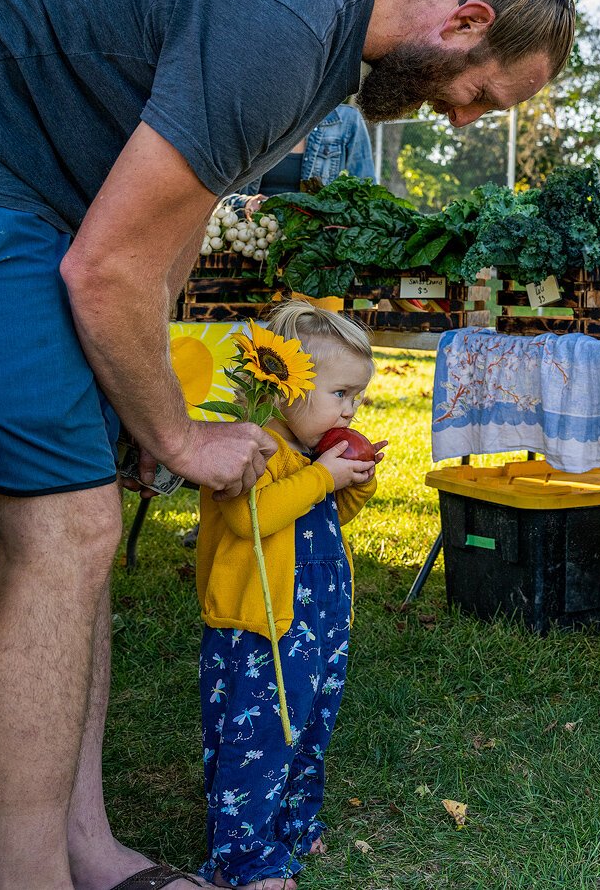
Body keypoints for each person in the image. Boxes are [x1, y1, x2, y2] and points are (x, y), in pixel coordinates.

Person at [0, 0, 576, 890]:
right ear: (465, 23)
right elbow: (103, 269)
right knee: (64, 531)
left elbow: (167, 232)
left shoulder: (318, 26)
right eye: (484, 96)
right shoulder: (286, 22)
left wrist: (142, 396)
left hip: (4, 191)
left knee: (89, 521)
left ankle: (87, 849)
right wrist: (176, 432)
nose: (462, 117)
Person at [195, 302, 382, 890]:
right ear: (285, 390)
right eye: (342, 393)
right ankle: (242, 857)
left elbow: (327, 516)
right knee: (259, 737)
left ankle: (292, 824)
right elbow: (255, 517)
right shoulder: (249, 450)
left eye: (357, 396)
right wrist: (323, 476)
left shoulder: (309, 455)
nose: (351, 409)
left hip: (317, 619)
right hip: (259, 624)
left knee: (307, 726)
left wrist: (351, 484)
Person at [246, 103, 376, 198]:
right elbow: (227, 193)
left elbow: (367, 191)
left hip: (314, 232)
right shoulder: (255, 117)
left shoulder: (347, 120)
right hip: (255, 230)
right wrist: (245, 203)